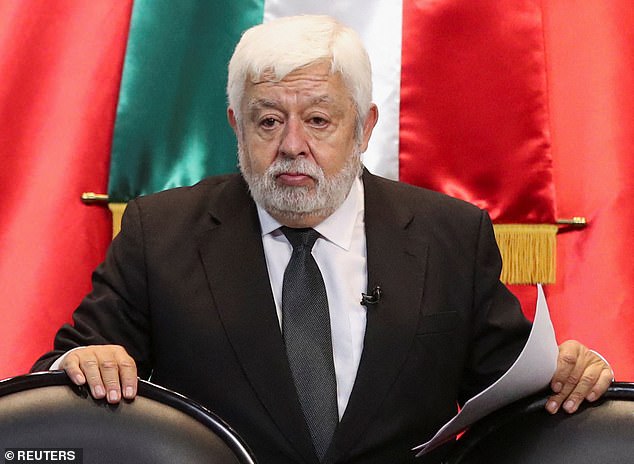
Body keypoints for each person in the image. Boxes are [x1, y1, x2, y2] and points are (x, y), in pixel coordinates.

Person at [33, 15, 612, 464]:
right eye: (267, 121)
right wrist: (82, 363)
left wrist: (570, 377)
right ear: (236, 126)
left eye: (318, 120)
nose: (291, 146)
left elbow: (515, 403)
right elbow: (61, 379)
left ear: (364, 128)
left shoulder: (450, 237)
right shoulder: (158, 233)